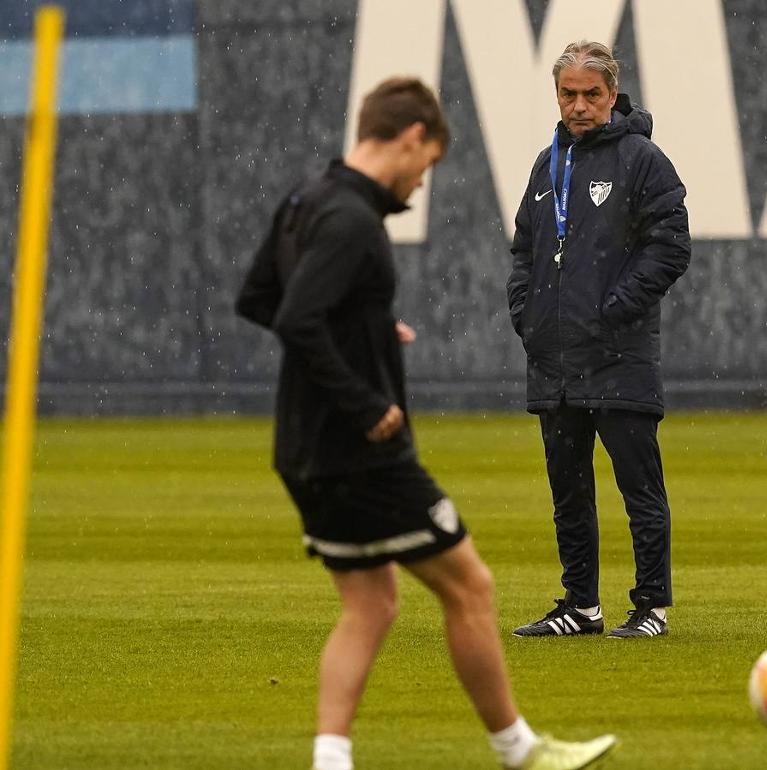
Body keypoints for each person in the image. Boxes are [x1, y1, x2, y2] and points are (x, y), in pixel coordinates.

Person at [236, 76, 616, 770]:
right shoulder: (353, 221)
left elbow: (258, 296)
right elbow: (295, 317)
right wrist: (366, 401)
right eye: (427, 164)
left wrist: (369, 328)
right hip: (361, 452)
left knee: (372, 604)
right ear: (410, 139)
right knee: (470, 587)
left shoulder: (305, 201)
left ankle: (330, 759)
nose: (419, 184)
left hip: (301, 452)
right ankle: (520, 751)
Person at [507, 42, 692, 640]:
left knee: (639, 488)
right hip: (555, 357)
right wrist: (528, 314)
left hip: (618, 357)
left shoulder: (642, 160)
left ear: (612, 95)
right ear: (556, 96)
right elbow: (524, 252)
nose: (579, 106)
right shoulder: (547, 164)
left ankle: (652, 607)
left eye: (591, 94)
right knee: (568, 492)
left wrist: (614, 310)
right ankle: (580, 606)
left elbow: (670, 246)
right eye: (568, 94)